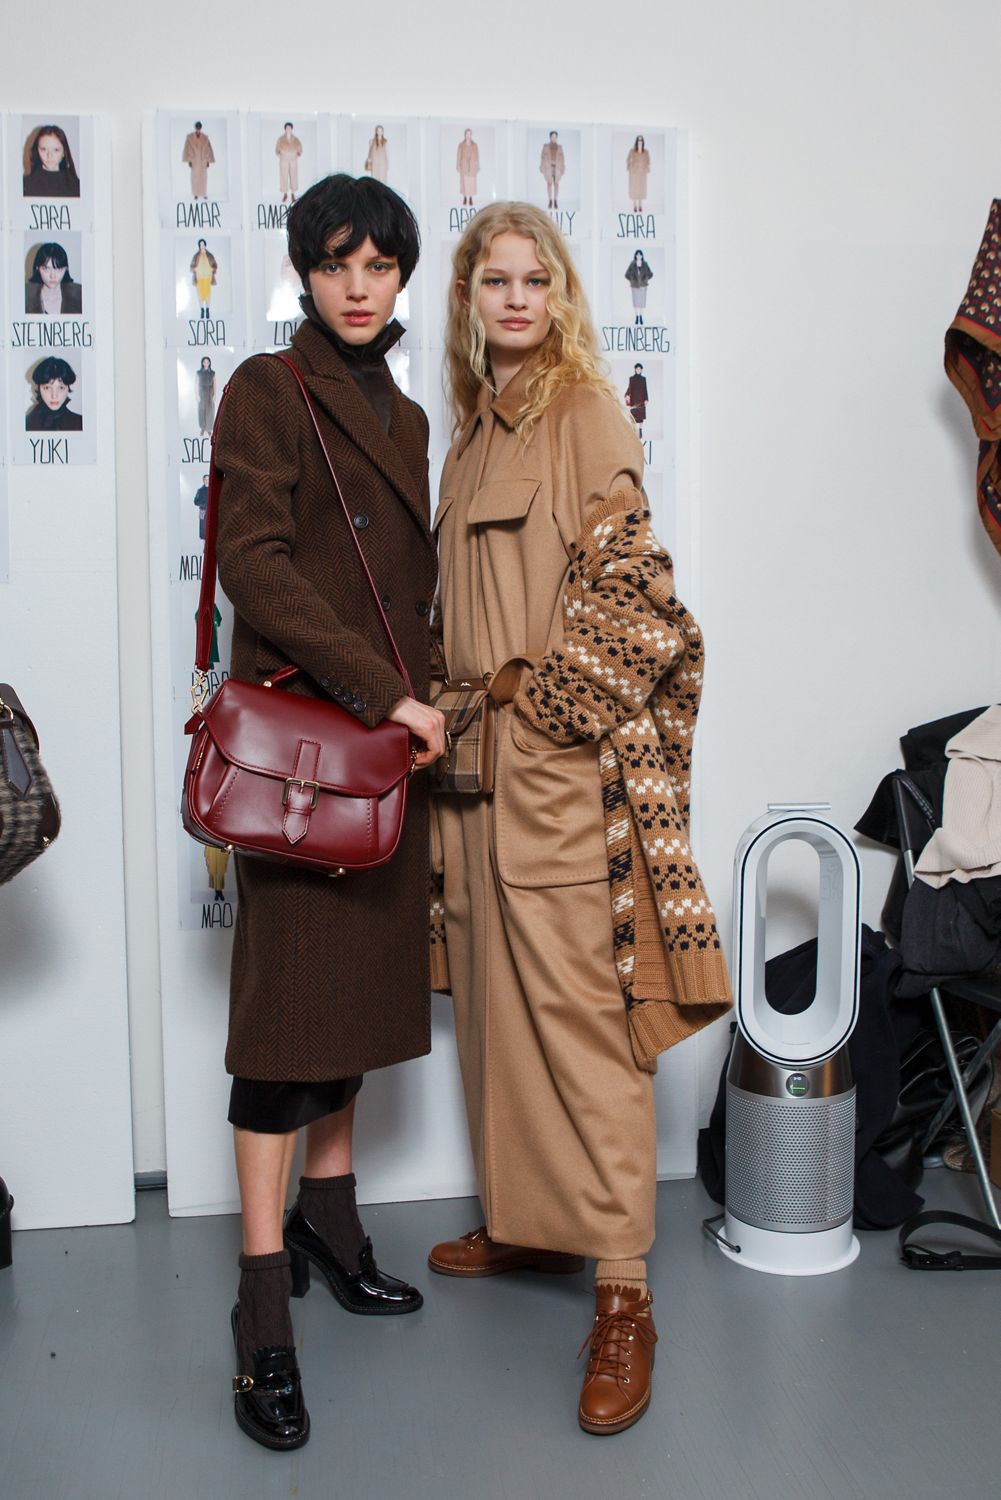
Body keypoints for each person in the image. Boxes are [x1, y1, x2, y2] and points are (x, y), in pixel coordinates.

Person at [429, 202, 731, 1436]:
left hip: (547, 774)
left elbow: (637, 596)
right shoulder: (467, 437)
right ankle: (528, 1221)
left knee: (583, 1029)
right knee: (494, 1016)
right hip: (465, 780)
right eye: (492, 280)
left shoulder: (583, 413)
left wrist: (543, 717)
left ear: (558, 296)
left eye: (533, 279)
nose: (514, 298)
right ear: (467, 300)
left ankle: (621, 1289)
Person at [212, 172, 443, 1452]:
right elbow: (254, 567)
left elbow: (409, 588)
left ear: (401, 275)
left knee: (348, 1011)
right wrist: (380, 690)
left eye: (378, 265)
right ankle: (261, 1305)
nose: (357, 287)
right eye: (334, 264)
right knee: (281, 1035)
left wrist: (431, 697)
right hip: (307, 757)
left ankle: (331, 1223)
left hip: (388, 751)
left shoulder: (405, 414)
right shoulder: (266, 387)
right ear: (303, 273)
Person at [25, 356, 83, 431]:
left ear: (68, 388)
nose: (54, 396)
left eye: (61, 388)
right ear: (39, 388)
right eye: (47, 388)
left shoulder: (81, 423)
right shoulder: (25, 424)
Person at [25, 242, 83, 316]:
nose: (52, 276)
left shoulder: (81, 295)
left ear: (66, 268)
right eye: (46, 269)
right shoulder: (24, 296)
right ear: (37, 268)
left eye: (58, 269)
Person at [22, 125, 80, 198]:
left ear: (64, 152)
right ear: (36, 150)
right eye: (43, 149)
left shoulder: (76, 185)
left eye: (56, 150)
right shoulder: (24, 185)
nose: (49, 155)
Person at [182, 121, 215, 199]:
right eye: (197, 127)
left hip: (203, 160)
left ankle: (204, 193)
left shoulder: (205, 138)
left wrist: (208, 160)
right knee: (195, 177)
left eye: (199, 128)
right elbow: (187, 148)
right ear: (195, 127)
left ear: (201, 128)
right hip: (194, 160)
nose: (198, 129)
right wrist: (189, 160)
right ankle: (195, 194)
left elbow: (209, 148)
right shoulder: (190, 138)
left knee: (203, 177)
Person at [189, 239, 218, 319]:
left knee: (208, 294)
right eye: (200, 244)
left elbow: (215, 265)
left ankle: (207, 310)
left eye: (203, 244)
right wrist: (195, 269)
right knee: (200, 295)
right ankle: (202, 310)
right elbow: (191, 267)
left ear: (205, 245)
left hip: (208, 277)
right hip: (199, 278)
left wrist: (212, 269)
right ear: (199, 246)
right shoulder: (196, 256)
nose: (202, 246)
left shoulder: (210, 255)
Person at [275, 122, 302, 203]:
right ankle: (285, 194)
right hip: (284, 160)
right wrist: (281, 155)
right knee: (284, 176)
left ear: (292, 129)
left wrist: (298, 153)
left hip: (293, 160)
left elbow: (300, 148)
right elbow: (277, 149)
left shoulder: (296, 139)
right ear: (285, 129)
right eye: (287, 128)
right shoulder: (281, 139)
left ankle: (293, 194)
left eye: (289, 128)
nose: (288, 129)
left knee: (293, 176)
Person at [625, 249, 653, 324]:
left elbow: (650, 274)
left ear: (642, 256)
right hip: (635, 286)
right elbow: (627, 274)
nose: (639, 256)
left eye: (640, 254)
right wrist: (632, 280)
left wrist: (645, 279)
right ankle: (637, 318)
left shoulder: (645, 264)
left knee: (642, 303)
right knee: (636, 303)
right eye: (637, 254)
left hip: (643, 286)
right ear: (635, 256)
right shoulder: (632, 264)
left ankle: (641, 317)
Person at [539, 130, 565, 209]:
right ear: (550, 137)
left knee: (556, 183)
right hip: (548, 167)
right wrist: (542, 167)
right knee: (549, 183)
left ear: (556, 137)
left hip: (557, 167)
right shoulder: (545, 146)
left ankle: (555, 200)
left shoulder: (560, 147)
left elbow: (562, 158)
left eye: (555, 137)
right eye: (552, 136)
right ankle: (550, 200)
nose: (554, 138)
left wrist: (563, 168)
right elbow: (542, 157)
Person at [626, 135, 650, 211]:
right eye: (639, 142)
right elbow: (628, 160)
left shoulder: (646, 152)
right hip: (634, 173)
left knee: (641, 188)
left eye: (641, 142)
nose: (640, 144)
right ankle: (634, 205)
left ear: (643, 143)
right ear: (636, 143)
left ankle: (640, 205)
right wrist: (631, 168)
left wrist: (646, 169)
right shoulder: (632, 151)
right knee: (634, 188)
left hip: (642, 173)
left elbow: (648, 161)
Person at [456, 128, 479, 206]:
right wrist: (458, 165)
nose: (468, 135)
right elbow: (458, 156)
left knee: (471, 182)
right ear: (465, 135)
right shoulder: (461, 145)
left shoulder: (475, 145)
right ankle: (465, 197)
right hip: (464, 165)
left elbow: (477, 157)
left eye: (469, 134)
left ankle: (471, 198)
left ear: (471, 135)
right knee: (464, 182)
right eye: (467, 134)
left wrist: (477, 166)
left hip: (472, 166)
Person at [625, 362, 648, 437]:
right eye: (637, 369)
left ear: (641, 370)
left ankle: (640, 430)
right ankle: (634, 431)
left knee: (641, 416)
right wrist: (627, 395)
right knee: (633, 416)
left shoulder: (643, 379)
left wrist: (646, 399)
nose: (638, 370)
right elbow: (629, 388)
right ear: (635, 369)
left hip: (641, 399)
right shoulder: (631, 379)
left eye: (640, 369)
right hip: (634, 399)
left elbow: (645, 389)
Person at [196, 357, 216, 435]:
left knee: (210, 411)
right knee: (202, 411)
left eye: (207, 362)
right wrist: (197, 395)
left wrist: (214, 395)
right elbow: (196, 384)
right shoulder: (199, 373)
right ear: (202, 363)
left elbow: (214, 384)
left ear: (209, 363)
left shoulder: (213, 373)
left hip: (210, 393)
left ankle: (208, 429)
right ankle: (202, 428)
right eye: (204, 362)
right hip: (201, 393)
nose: (206, 363)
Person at [194, 474, 210, 539]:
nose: (207, 481)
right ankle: (204, 542)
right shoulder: (200, 490)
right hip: (202, 511)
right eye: (205, 479)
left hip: (211, 510)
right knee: (203, 528)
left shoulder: (213, 490)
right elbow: (196, 502)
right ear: (203, 480)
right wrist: (204, 504)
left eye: (208, 479)